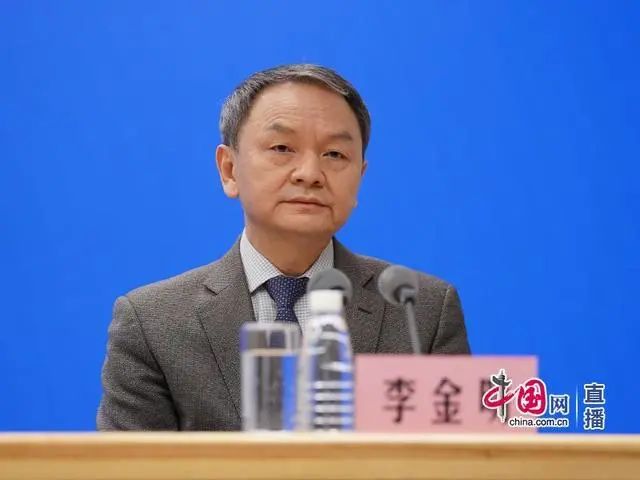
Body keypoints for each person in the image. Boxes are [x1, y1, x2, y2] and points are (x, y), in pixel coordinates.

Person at [97, 64, 470, 431]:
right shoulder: (153, 323)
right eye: (282, 148)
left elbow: (461, 458)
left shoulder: (421, 313)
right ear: (229, 169)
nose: (309, 173)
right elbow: (130, 463)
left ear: (360, 176)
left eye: (334, 154)